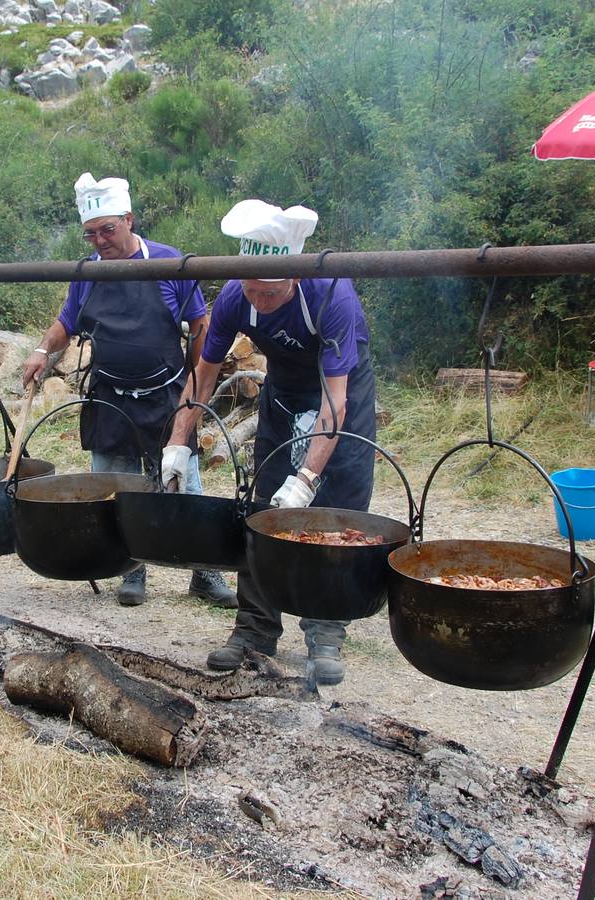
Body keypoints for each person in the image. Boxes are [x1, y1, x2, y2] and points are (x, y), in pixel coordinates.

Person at [162, 199, 377, 686]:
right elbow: (203, 375)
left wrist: (306, 478)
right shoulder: (237, 298)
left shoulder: (331, 295)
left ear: (295, 277)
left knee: (335, 512)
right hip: (283, 396)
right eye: (251, 289)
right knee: (261, 512)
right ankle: (254, 629)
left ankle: (325, 631)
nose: (258, 300)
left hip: (342, 396)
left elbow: (334, 401)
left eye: (270, 292)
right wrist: (177, 442)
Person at [21, 172, 237, 609]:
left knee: (184, 485)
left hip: (165, 395)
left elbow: (200, 324)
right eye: (90, 234)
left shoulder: (167, 262)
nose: (99, 240)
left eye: (107, 229)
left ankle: (204, 572)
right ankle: (131, 569)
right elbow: (67, 323)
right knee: (118, 490)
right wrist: (43, 349)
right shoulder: (86, 275)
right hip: (110, 397)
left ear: (129, 220)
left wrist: (197, 376)